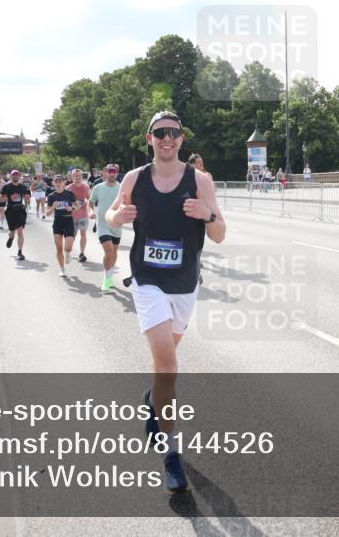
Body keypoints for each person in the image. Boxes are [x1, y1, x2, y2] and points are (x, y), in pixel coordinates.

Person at [106, 110, 226, 493]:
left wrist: (207, 215)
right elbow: (110, 216)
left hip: (185, 283)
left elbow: (220, 234)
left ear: (181, 138)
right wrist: (118, 214)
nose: (167, 138)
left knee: (162, 371)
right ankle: (172, 455)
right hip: (147, 280)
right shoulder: (134, 178)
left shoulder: (200, 180)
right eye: (160, 133)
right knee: (169, 365)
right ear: (150, 138)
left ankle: (151, 400)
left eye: (173, 132)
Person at [89, 164, 122, 293]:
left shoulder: (121, 188)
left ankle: (110, 275)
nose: (112, 173)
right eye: (110, 171)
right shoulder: (98, 188)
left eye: (114, 171)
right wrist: (90, 212)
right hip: (102, 224)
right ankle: (106, 279)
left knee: (113, 253)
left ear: (117, 173)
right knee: (108, 251)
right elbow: (90, 202)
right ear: (105, 173)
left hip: (116, 225)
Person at [46, 174, 80, 277]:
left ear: (63, 184)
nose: (58, 185)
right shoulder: (51, 196)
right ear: (53, 184)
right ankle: (62, 269)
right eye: (56, 184)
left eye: (60, 183)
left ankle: (68, 253)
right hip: (58, 222)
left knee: (68, 247)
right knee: (59, 248)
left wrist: (72, 209)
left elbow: (78, 206)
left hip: (68, 220)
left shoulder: (69, 194)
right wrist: (53, 207)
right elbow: (47, 213)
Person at [0, 170, 31, 260]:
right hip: (10, 211)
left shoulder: (23, 187)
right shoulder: (6, 187)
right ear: (11, 176)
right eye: (13, 175)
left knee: (20, 231)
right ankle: (11, 238)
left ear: (19, 176)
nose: (15, 176)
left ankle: (20, 252)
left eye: (17, 175)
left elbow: (27, 198)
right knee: (12, 231)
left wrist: (27, 201)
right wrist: (10, 197)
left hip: (20, 211)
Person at [67, 168, 91, 262]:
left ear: (82, 176)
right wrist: (74, 205)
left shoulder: (86, 187)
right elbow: (66, 202)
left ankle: (82, 253)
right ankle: (68, 252)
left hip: (84, 215)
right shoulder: (68, 188)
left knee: (83, 234)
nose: (78, 177)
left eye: (79, 175)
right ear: (72, 176)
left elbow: (89, 199)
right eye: (76, 176)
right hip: (72, 216)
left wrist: (85, 202)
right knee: (73, 235)